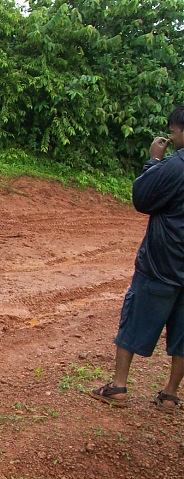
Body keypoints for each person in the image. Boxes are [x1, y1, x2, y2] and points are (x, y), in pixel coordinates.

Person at [90, 105, 184, 414]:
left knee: (134, 318)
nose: (171, 136)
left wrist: (153, 160)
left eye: (173, 131)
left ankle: (118, 386)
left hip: (162, 264)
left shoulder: (175, 166)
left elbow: (142, 197)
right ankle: (170, 395)